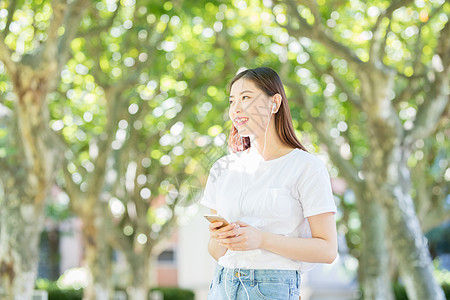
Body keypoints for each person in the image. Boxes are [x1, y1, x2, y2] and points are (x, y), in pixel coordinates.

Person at [200, 67, 338, 300]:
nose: (237, 109)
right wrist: (220, 237)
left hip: (273, 287)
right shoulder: (222, 169)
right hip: (222, 286)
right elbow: (216, 252)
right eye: (232, 101)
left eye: (246, 98)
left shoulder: (306, 167)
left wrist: (262, 239)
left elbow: (327, 250)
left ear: (274, 103)